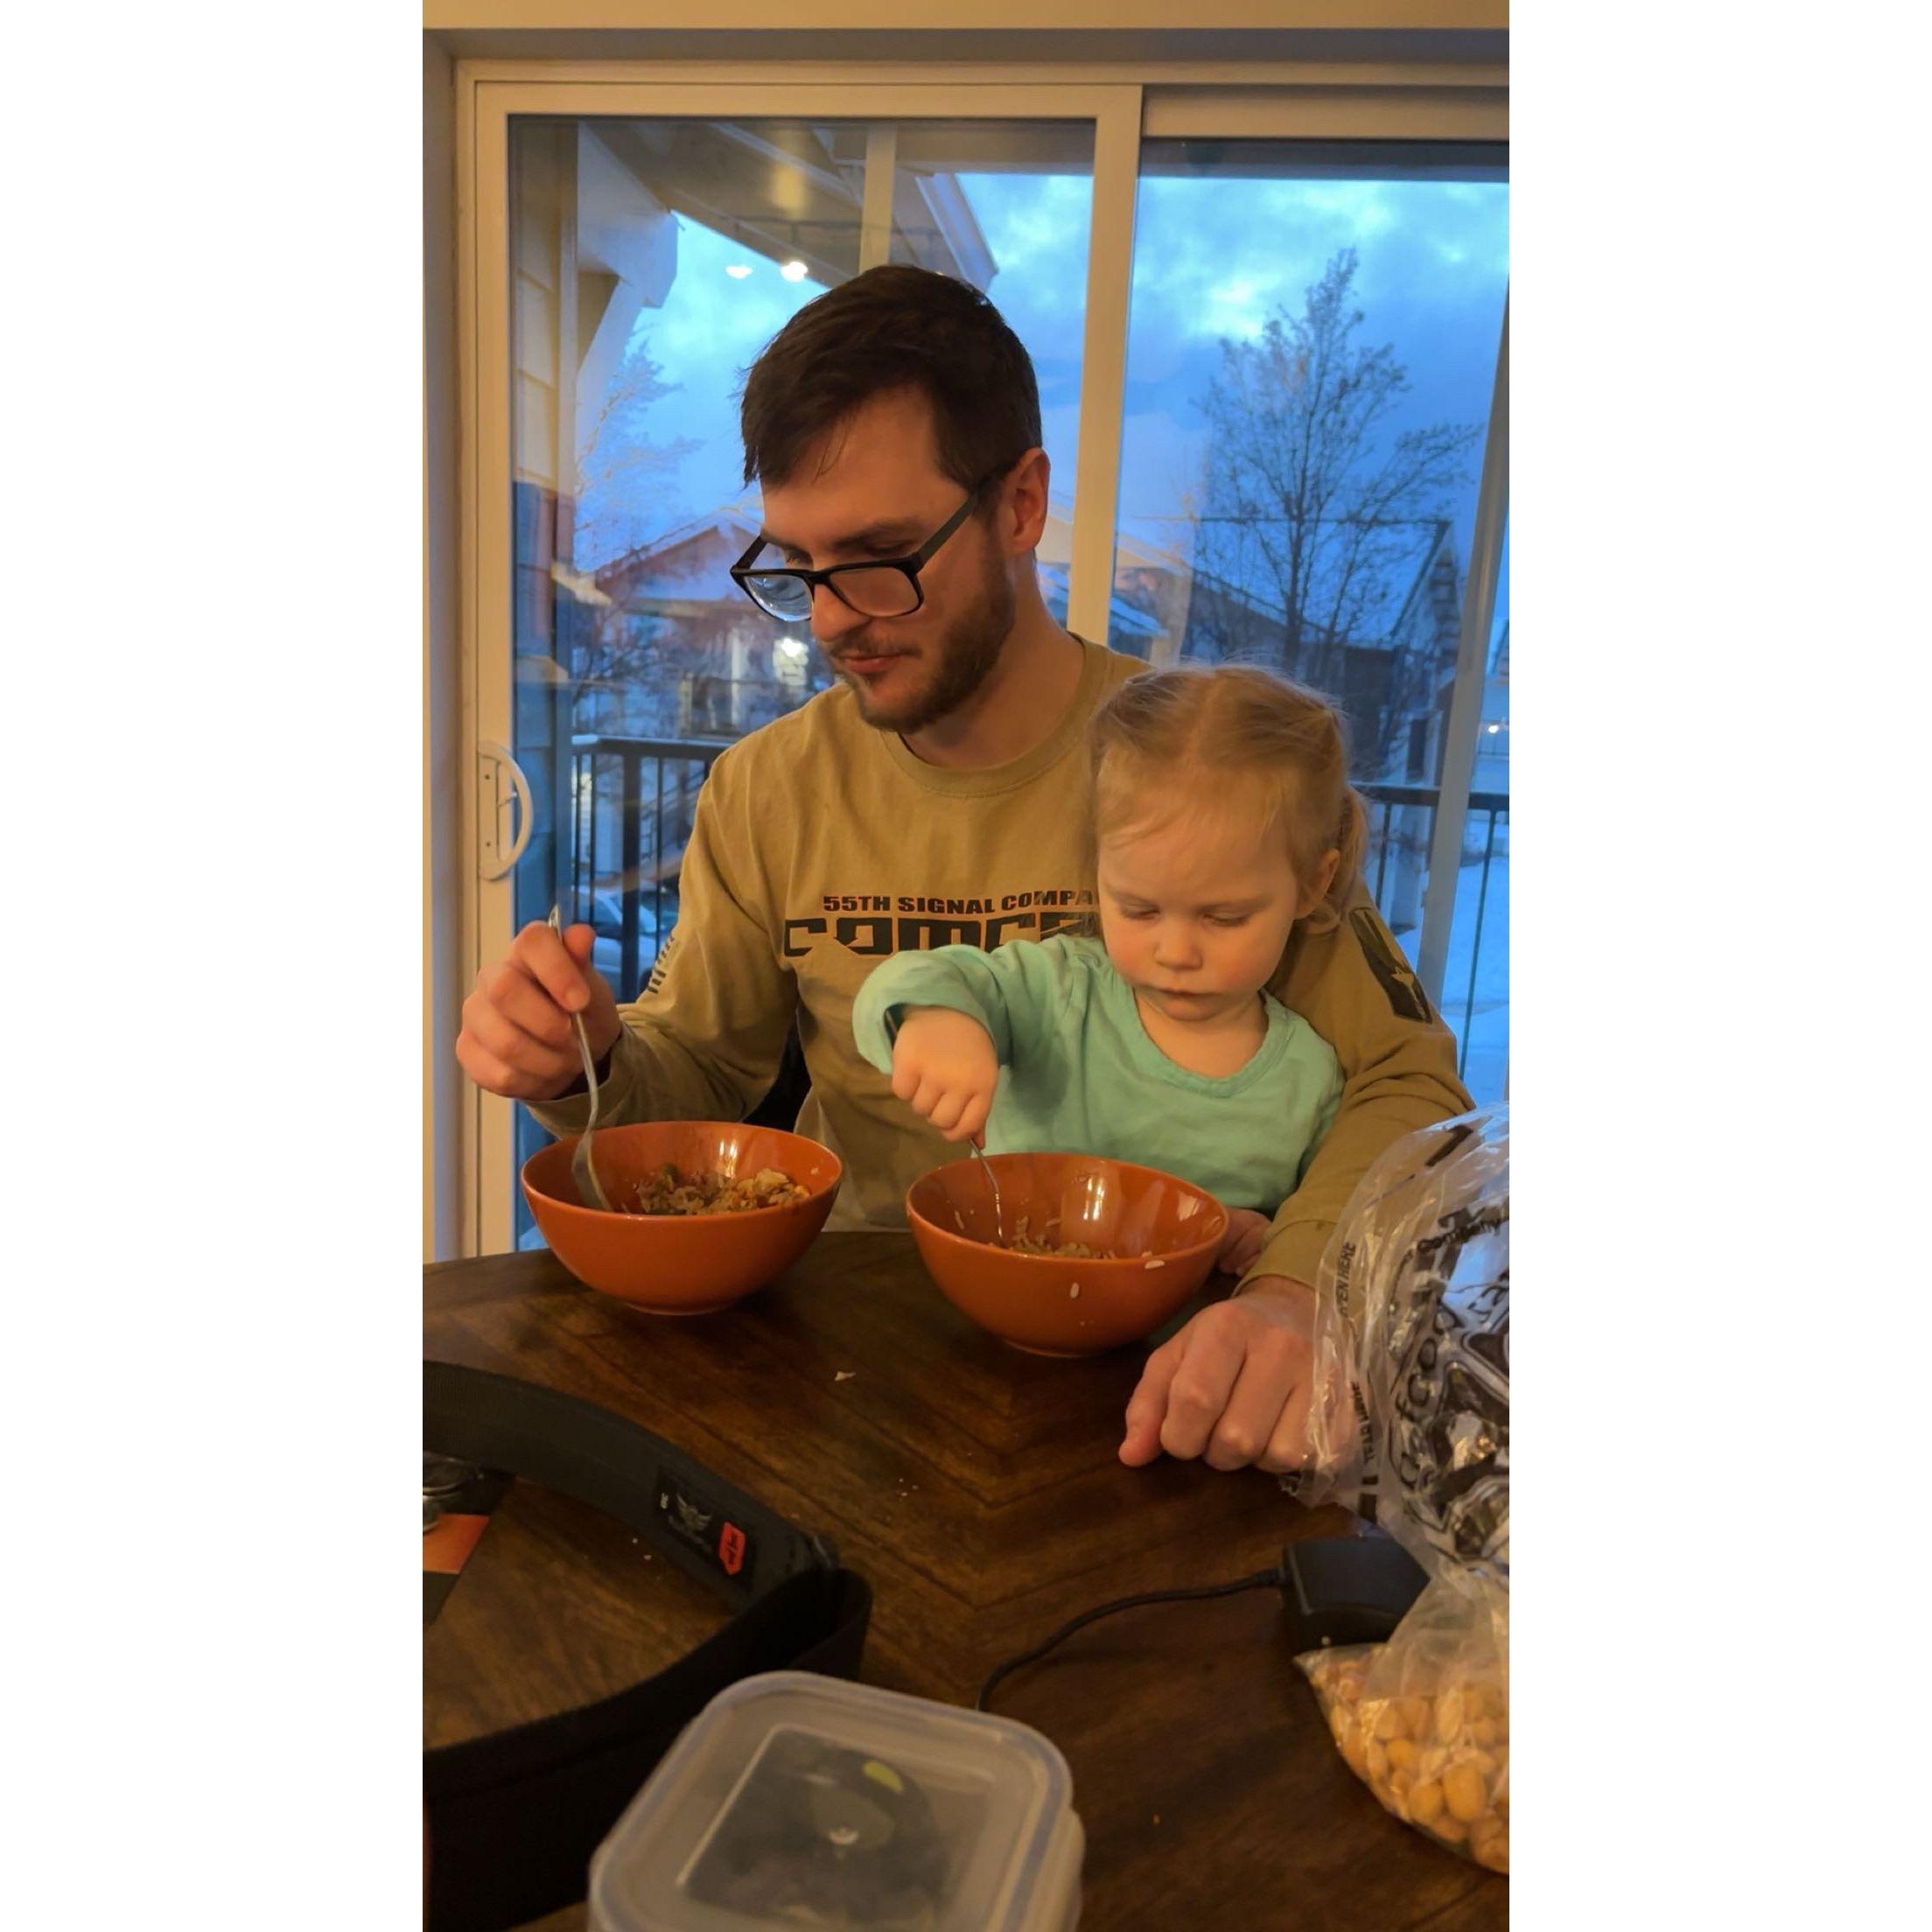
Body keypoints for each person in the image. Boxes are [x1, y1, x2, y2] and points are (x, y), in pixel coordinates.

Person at [455, 263, 1473, 1474]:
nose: (832, 619)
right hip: (856, 1364)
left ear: (1022, 504)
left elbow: (1407, 1082)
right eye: (799, 565)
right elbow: (702, 1083)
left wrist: (1294, 1290)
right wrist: (583, 1057)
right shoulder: (766, 789)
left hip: (1173, 1370)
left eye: (881, 555)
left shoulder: (1201, 766)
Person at [852, 665, 1353, 1287]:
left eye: (1223, 918)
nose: (1175, 951)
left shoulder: (1310, 1080)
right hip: (1012, 1306)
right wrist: (937, 1018)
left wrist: (1264, 1235)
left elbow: (1321, 1232)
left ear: (1313, 885)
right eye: (1138, 909)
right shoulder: (1059, 990)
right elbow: (910, 980)